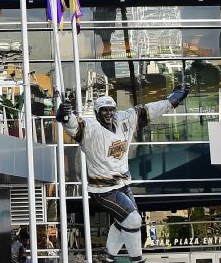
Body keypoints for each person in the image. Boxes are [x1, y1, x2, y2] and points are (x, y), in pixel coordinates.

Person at [56, 84, 190, 263]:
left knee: (123, 221)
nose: (109, 114)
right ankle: (137, 260)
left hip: (123, 184)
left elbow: (149, 110)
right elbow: (72, 125)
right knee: (133, 220)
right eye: (104, 111)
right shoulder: (90, 128)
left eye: (111, 110)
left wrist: (173, 99)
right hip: (103, 189)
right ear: (97, 112)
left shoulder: (124, 119)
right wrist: (64, 115)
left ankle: (108, 257)